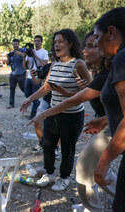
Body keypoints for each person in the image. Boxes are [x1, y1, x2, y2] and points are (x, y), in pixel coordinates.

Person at [29, 31, 116, 212]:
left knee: (81, 160)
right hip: (105, 122)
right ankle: (89, 203)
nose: (86, 50)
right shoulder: (57, 65)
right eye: (55, 42)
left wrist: (43, 113)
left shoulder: (87, 66)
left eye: (93, 45)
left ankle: (70, 183)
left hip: (76, 117)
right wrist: (103, 119)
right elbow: (92, 94)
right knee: (49, 144)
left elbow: (78, 98)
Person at [20, 29, 92, 191]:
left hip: (72, 116)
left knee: (67, 148)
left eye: (61, 41)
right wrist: (29, 99)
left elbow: (90, 91)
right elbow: (46, 87)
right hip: (53, 113)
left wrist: (67, 93)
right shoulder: (54, 63)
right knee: (47, 143)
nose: (57, 45)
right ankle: (50, 172)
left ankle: (64, 177)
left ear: (70, 44)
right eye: (55, 42)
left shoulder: (78, 64)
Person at [92, 7, 125, 212]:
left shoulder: (122, 58)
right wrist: (106, 119)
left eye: (97, 36)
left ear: (111, 32)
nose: (95, 42)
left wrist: (103, 161)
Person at [23, 35, 49, 120]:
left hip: (38, 77)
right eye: (35, 41)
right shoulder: (30, 52)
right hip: (29, 76)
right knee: (27, 94)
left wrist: (35, 56)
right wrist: (24, 56)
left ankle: (33, 113)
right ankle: (37, 103)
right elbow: (25, 66)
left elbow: (45, 65)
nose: (36, 42)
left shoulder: (44, 52)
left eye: (38, 41)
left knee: (35, 95)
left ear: (41, 42)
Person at [6, 39, 26, 109]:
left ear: (18, 44)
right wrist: (8, 57)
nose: (15, 45)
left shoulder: (22, 51)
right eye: (13, 44)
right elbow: (8, 63)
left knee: (23, 88)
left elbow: (25, 57)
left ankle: (31, 99)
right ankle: (11, 104)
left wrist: (20, 54)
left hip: (21, 73)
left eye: (16, 44)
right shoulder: (11, 53)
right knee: (12, 89)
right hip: (13, 74)